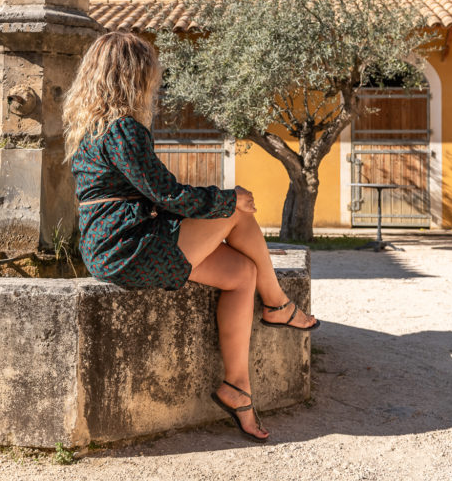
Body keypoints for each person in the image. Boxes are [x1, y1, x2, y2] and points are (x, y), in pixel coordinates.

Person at [62, 31, 318, 442]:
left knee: (240, 273)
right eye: (152, 75)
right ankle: (278, 304)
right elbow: (166, 193)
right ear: (133, 77)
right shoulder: (122, 128)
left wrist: (216, 204)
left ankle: (237, 388)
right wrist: (226, 197)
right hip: (127, 247)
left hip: (117, 242)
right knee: (238, 209)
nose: (156, 85)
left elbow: (153, 195)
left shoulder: (93, 127)